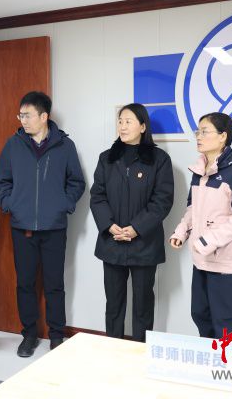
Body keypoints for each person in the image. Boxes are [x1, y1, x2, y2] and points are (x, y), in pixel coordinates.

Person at [0, 91, 85, 357]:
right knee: (25, 284)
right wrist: (10, 204)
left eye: (27, 115)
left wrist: (64, 205)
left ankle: (56, 335)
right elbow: (2, 181)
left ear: (44, 116)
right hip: (22, 227)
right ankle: (29, 335)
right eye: (20, 115)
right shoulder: (13, 145)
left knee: (54, 284)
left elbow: (76, 182)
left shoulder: (64, 146)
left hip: (54, 228)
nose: (22, 120)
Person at [169, 112, 232, 354]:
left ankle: (231, 372)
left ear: (222, 136)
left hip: (227, 266)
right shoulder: (199, 171)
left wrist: (206, 240)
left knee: (229, 327)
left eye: (204, 131)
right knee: (202, 315)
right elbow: (192, 208)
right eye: (198, 131)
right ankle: (211, 368)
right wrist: (181, 231)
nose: (198, 136)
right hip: (202, 261)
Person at [89, 103, 174, 342]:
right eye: (120, 121)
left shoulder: (159, 160)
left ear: (143, 126)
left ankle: (141, 352)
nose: (122, 126)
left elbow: (162, 200)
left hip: (144, 245)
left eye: (128, 121)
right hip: (112, 242)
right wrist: (109, 225)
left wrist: (137, 228)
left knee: (143, 305)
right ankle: (113, 349)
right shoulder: (107, 158)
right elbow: (97, 196)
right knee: (113, 304)